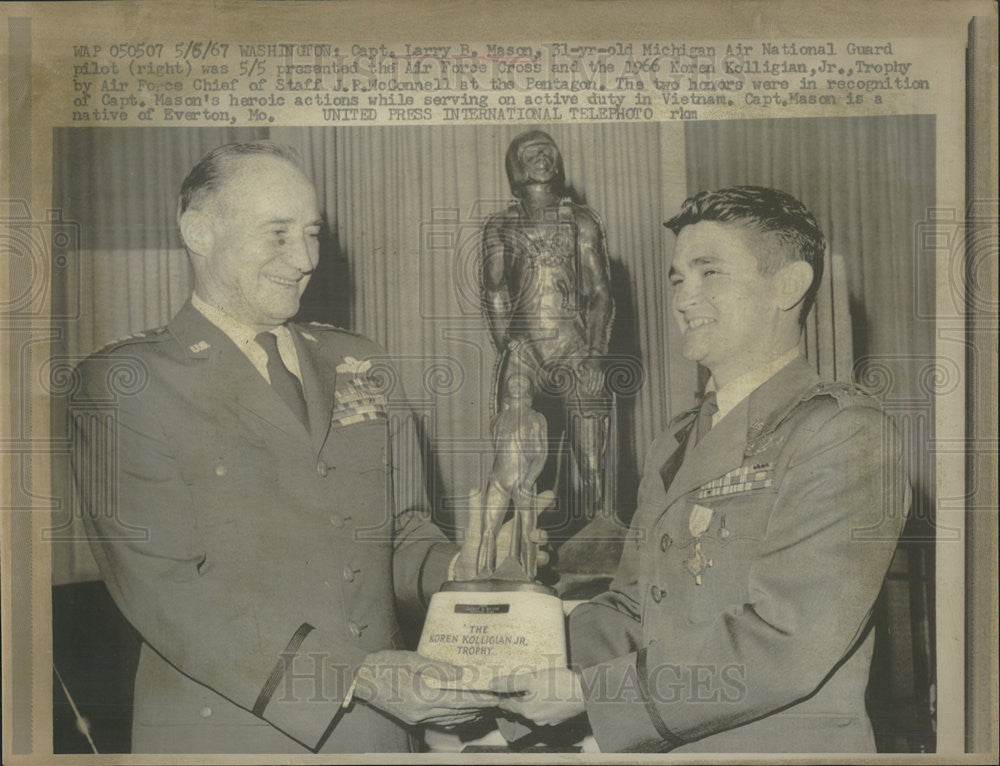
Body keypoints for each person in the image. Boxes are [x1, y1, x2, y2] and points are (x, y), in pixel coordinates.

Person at [71, 141, 496, 754]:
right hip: (230, 738)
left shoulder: (361, 363)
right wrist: (355, 676)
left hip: (378, 736)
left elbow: (399, 532)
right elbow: (171, 589)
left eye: (312, 234)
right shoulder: (127, 385)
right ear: (199, 232)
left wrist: (463, 567)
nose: (303, 259)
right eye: (277, 234)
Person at [491, 186, 910, 752]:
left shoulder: (843, 431)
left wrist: (592, 694)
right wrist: (504, 656)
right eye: (677, 278)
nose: (684, 298)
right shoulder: (676, 440)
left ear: (789, 286)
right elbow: (636, 606)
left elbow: (788, 642)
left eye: (709, 273)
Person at [481, 130, 614, 522]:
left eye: (547, 151)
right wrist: (506, 342)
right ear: (515, 165)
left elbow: (601, 294)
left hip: (574, 349)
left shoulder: (582, 223)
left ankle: (596, 533)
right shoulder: (501, 226)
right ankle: (518, 545)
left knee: (591, 459)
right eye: (531, 153)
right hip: (524, 350)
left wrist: (594, 356)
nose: (542, 158)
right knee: (516, 458)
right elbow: (493, 289)